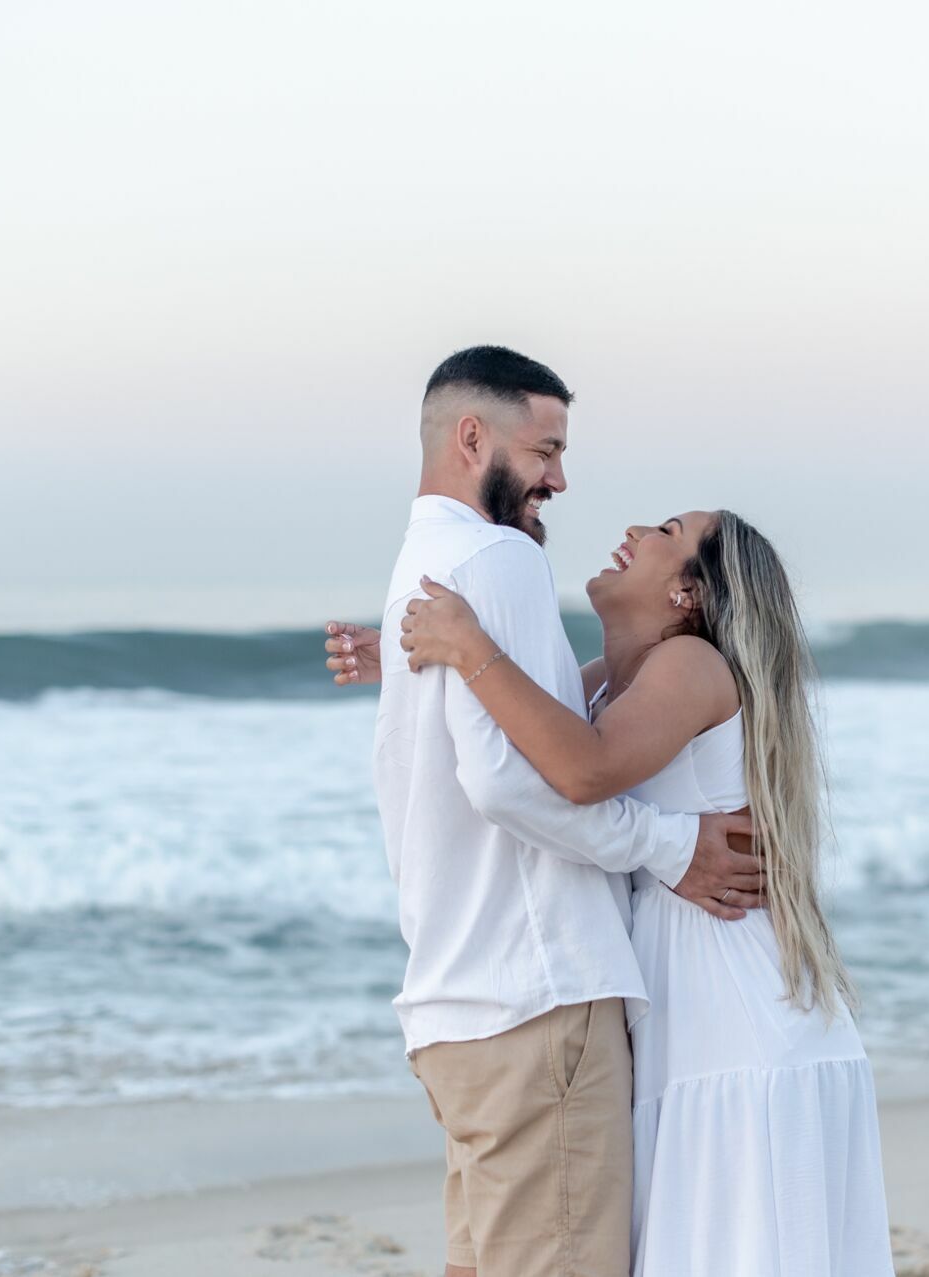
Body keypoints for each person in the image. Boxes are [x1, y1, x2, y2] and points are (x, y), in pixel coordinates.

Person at [351, 506, 896, 1275]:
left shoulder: (691, 664)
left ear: (688, 594)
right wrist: (414, 660)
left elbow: (585, 770)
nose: (637, 530)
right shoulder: (611, 679)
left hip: (735, 1017)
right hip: (689, 1008)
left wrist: (468, 645)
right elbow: (523, 736)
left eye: (667, 532)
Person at [328, 346, 763, 1277]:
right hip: (538, 997)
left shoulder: (420, 562)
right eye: (546, 451)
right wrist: (670, 845)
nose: (559, 481)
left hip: (453, 1005)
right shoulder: (501, 559)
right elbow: (511, 783)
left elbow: (510, 741)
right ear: (471, 437)